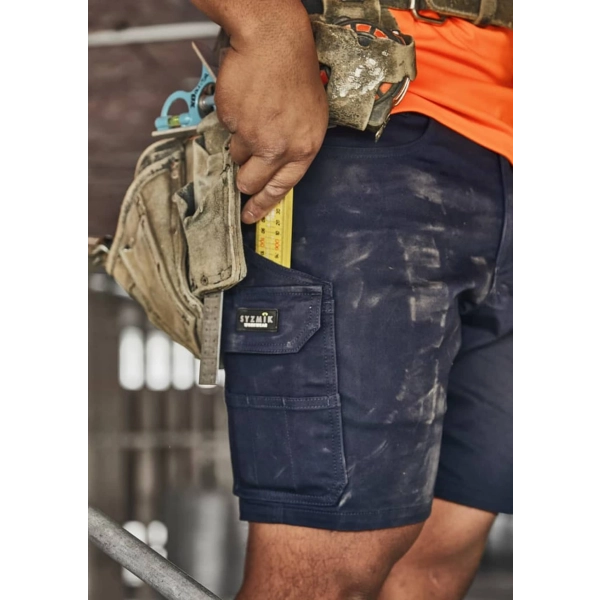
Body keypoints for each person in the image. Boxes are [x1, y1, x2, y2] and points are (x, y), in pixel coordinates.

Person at [190, 1, 515, 599]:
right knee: (326, 570)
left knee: (439, 560)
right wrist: (266, 27)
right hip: (369, 121)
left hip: (504, 144)